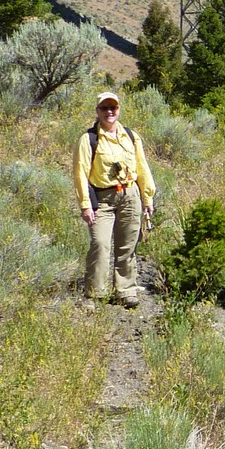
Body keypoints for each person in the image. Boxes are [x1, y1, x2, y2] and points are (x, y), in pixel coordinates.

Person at [74, 90, 155, 306]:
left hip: (130, 195)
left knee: (127, 245)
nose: (109, 111)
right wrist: (85, 205)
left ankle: (126, 290)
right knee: (100, 243)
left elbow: (142, 167)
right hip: (103, 199)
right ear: (98, 111)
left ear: (118, 110)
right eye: (105, 108)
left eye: (113, 108)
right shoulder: (88, 139)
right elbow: (81, 172)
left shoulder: (131, 136)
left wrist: (147, 199)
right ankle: (94, 293)